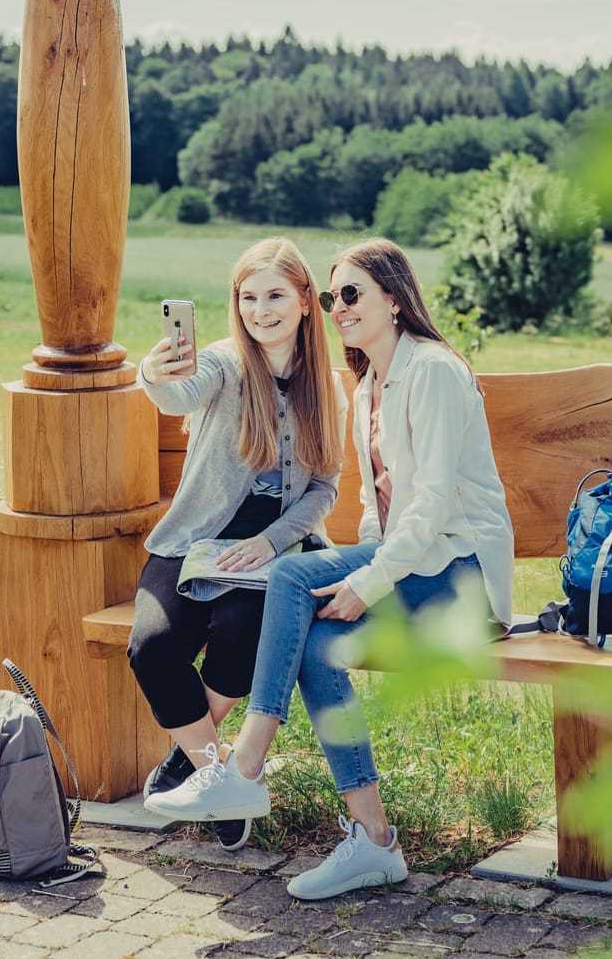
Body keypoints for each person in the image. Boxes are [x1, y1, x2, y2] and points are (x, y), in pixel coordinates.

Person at [146, 237, 515, 899]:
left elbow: (429, 507)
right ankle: (374, 841)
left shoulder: (431, 370)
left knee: (291, 576)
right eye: (334, 294)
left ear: (395, 302)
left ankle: (247, 768)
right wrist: (362, 572)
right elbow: (379, 516)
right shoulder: (371, 385)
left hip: (459, 574)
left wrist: (366, 580)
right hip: (414, 565)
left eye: (352, 294)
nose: (339, 306)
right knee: (317, 647)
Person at [129, 236, 345, 850]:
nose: (260, 310)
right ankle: (213, 771)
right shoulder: (223, 365)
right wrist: (156, 371)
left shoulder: (325, 387)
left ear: (306, 300)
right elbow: (177, 392)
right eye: (248, 297)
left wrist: (273, 542)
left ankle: (191, 764)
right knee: (151, 647)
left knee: (242, 628)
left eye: (275, 294)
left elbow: (323, 487)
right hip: (191, 543)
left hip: (270, 555)